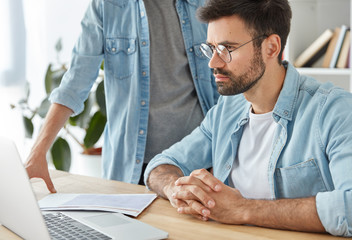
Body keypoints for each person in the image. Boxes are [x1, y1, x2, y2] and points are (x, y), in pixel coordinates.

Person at [144, 0, 352, 237]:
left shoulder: (336, 111)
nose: (213, 63)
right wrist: (175, 189)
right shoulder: (227, 110)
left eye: (227, 49)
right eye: (211, 48)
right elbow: (161, 164)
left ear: (271, 48)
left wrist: (243, 209)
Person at [25, 0, 219, 192]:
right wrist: (38, 152)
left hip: (193, 164)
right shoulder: (107, 6)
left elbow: (227, 81)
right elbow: (75, 81)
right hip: (130, 168)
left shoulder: (205, 4)